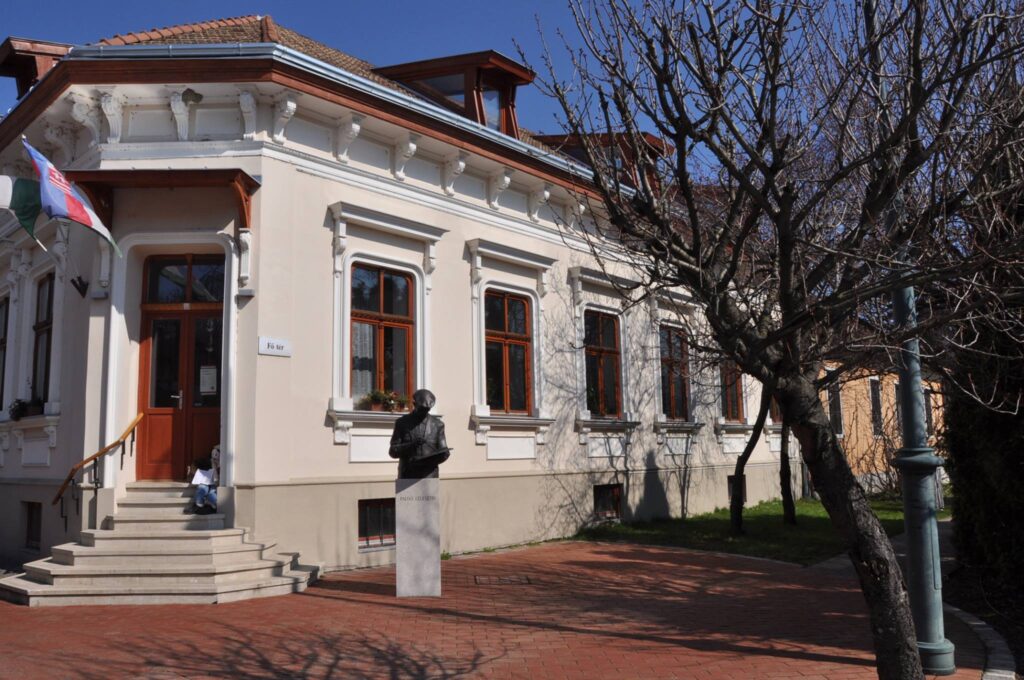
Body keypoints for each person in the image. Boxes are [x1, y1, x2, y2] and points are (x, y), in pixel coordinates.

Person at [388, 389, 450, 479]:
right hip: (407, 475)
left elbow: (444, 451)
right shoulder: (402, 423)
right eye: (422, 409)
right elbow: (393, 451)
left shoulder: (438, 425)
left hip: (429, 475)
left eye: (427, 410)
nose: (424, 412)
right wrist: (411, 445)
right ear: (414, 404)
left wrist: (430, 461)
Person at [190, 445, 220, 515]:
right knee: (203, 487)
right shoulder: (207, 462)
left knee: (211, 493)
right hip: (208, 480)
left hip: (216, 484)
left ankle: (212, 505)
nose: (216, 460)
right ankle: (199, 505)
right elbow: (194, 465)